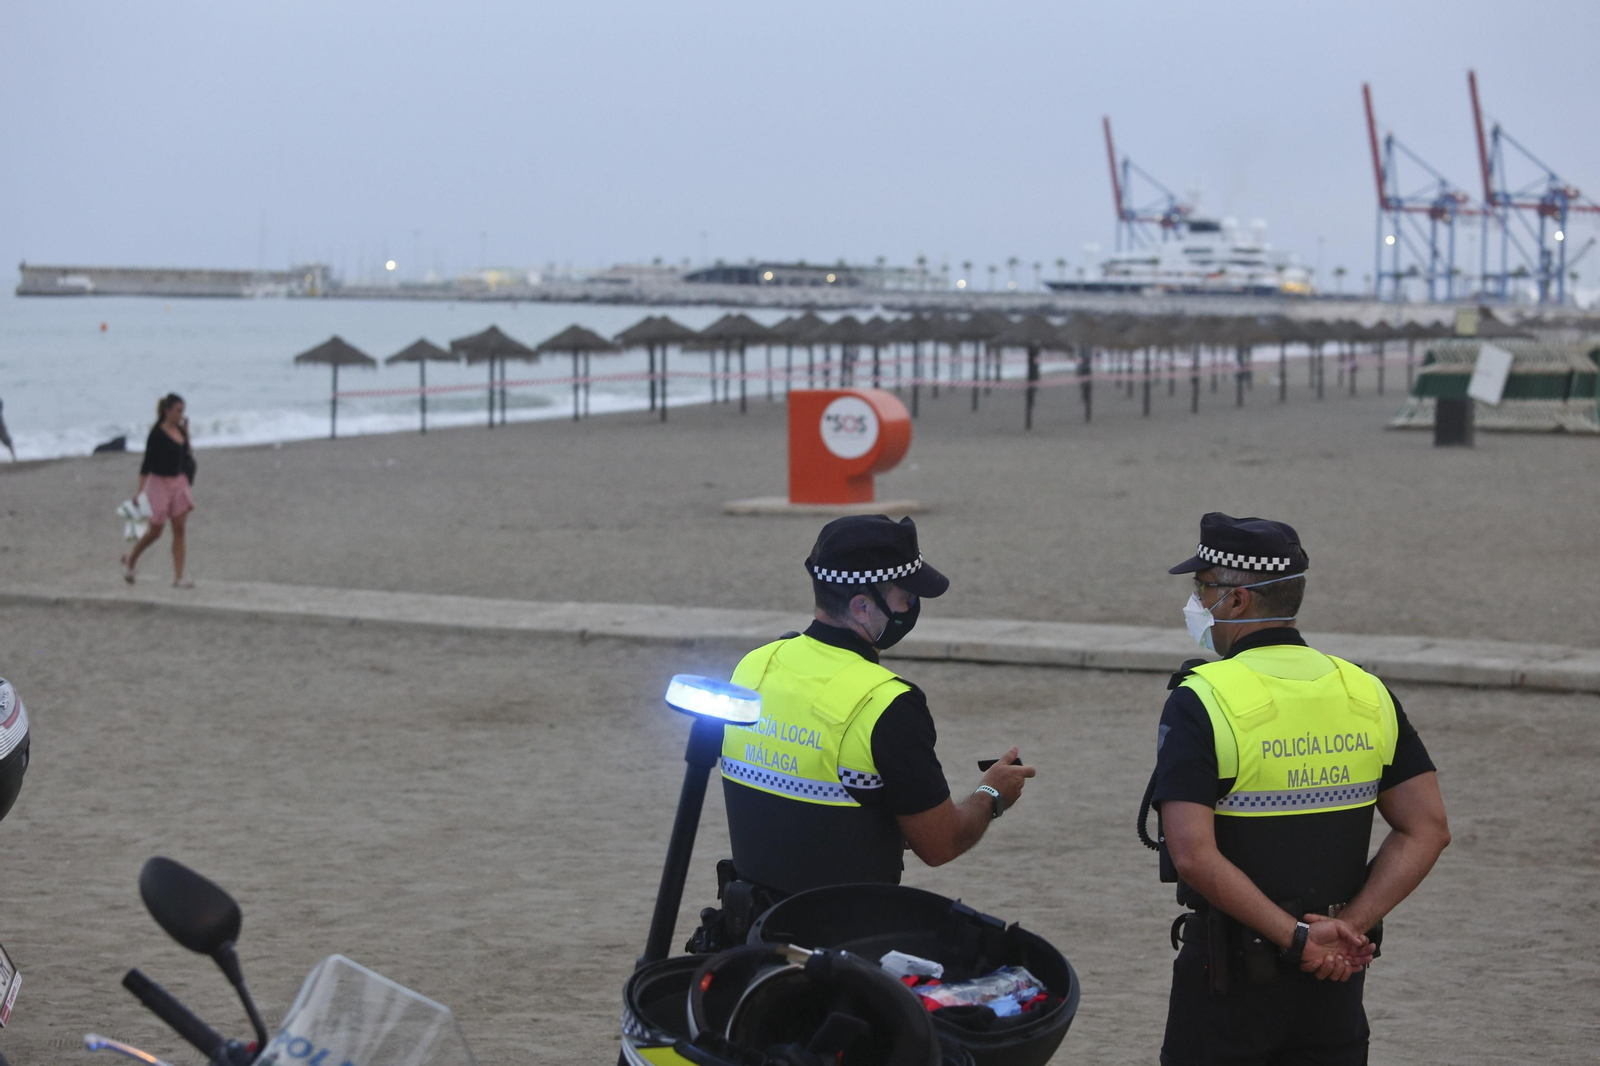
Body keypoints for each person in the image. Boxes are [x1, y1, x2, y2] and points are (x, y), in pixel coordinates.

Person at [1145, 513, 1451, 1066]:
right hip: (1334, 983)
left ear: (1236, 600)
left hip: (1228, 984)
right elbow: (1427, 827)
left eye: (1202, 587)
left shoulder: (1204, 698)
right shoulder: (1365, 691)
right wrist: (1346, 929)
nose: (1195, 602)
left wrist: (1295, 937)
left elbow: (1192, 853)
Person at [703, 515, 1036, 937]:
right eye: (905, 597)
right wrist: (991, 793)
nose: (911, 608)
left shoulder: (755, 665)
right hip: (845, 942)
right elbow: (939, 843)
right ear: (862, 605)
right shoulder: (888, 704)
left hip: (749, 927)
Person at [122, 393, 196, 587]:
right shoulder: (156, 434)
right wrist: (139, 492)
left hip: (178, 482)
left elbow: (187, 455)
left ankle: (179, 577)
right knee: (156, 531)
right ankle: (131, 559)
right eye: (178, 411)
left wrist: (187, 435)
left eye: (183, 411)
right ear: (167, 411)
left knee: (179, 529)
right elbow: (146, 465)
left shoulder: (181, 430)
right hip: (159, 483)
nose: (181, 415)